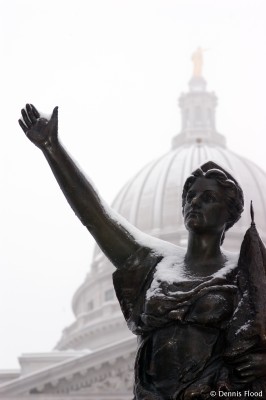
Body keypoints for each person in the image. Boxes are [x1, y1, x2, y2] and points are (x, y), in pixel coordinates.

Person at [19, 104, 266, 399]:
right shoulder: (153, 265)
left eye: (208, 197)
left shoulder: (244, 279)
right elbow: (97, 218)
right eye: (190, 195)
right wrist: (52, 149)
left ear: (230, 213)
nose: (194, 202)